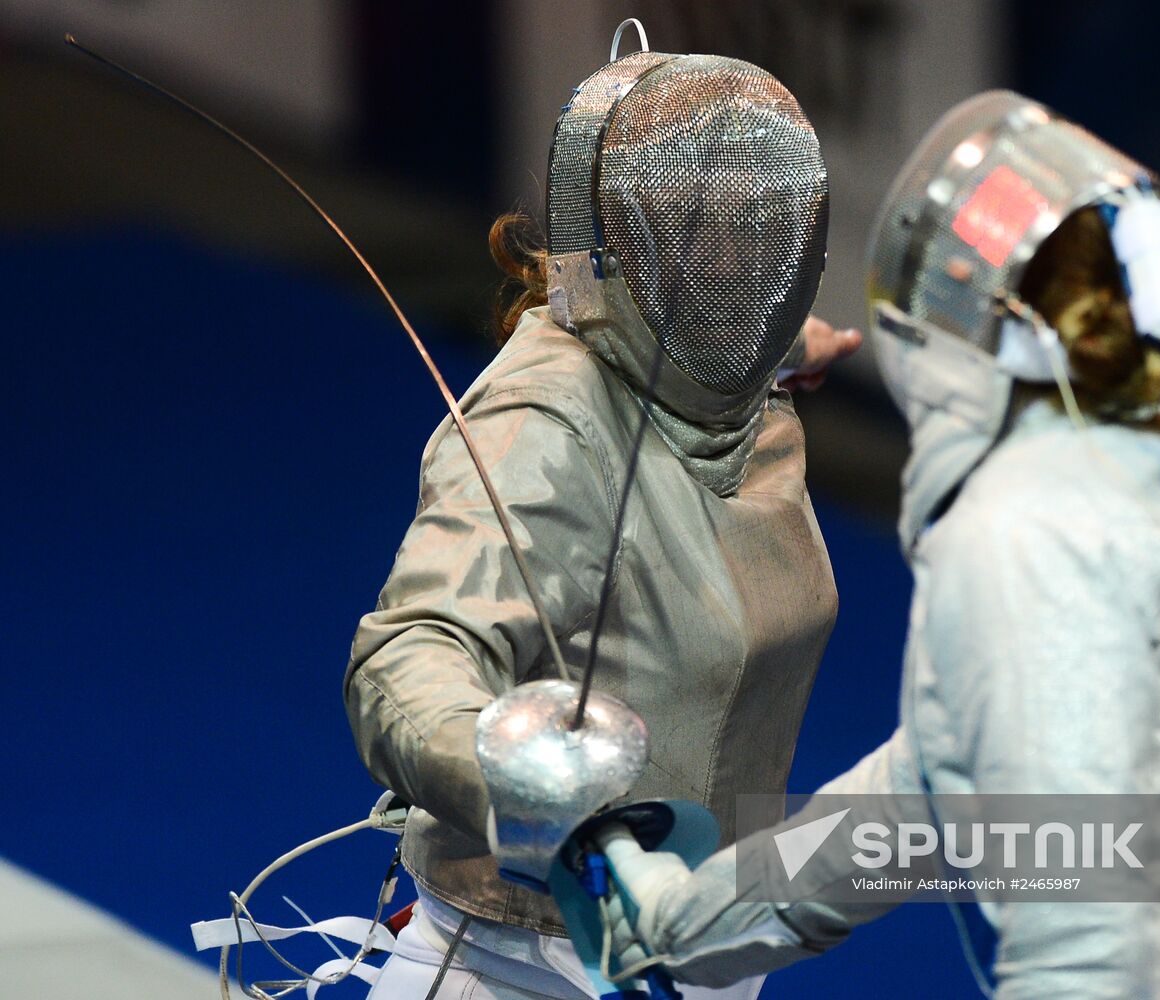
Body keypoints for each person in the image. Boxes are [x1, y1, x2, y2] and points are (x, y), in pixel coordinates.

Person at [592, 91, 1160, 999]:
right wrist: (682, 919)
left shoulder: (1019, 533)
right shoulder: (1147, 456)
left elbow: (1081, 940)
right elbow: (916, 800)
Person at [343, 28, 860, 1000]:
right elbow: (406, 658)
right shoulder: (546, 424)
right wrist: (526, 782)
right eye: (710, 231)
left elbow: (732, 341)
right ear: (628, 242)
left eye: (765, 227)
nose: (744, 257)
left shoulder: (735, 371)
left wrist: (791, 352)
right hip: (523, 967)